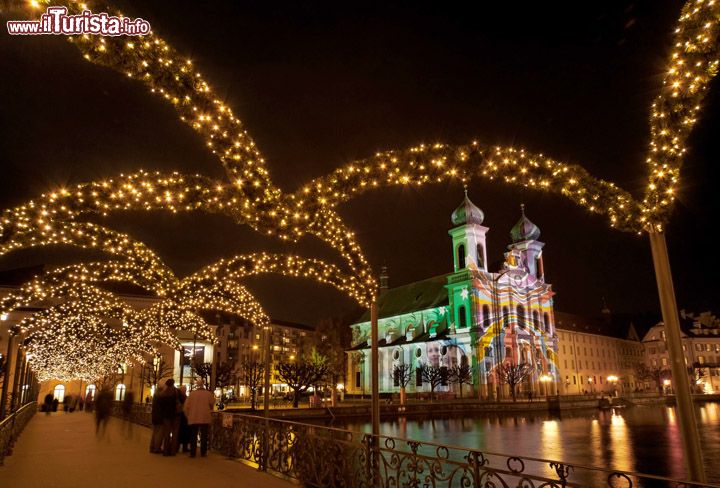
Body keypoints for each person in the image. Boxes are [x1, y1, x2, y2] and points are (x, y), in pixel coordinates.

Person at [184, 379, 215, 458]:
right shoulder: (208, 394)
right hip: (204, 417)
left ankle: (193, 452)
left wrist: (188, 416)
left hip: (194, 417)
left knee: (193, 435)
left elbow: (186, 407)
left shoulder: (192, 394)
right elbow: (212, 403)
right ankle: (203, 452)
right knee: (204, 436)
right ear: (203, 384)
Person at [157, 378, 180, 456]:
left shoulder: (163, 394)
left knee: (167, 433)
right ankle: (173, 451)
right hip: (176, 415)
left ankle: (166, 451)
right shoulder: (177, 392)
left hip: (166, 416)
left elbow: (160, 406)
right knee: (175, 434)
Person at [150, 385, 165, 454]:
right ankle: (157, 448)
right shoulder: (161, 397)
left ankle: (152, 447)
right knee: (159, 433)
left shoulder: (155, 396)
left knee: (154, 432)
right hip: (160, 416)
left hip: (155, 416)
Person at [177, 385, 191, 453]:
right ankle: (184, 447)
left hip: (180, 416)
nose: (185, 391)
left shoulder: (178, 396)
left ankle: (177, 447)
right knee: (184, 432)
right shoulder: (184, 397)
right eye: (184, 389)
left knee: (180, 432)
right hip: (183, 416)